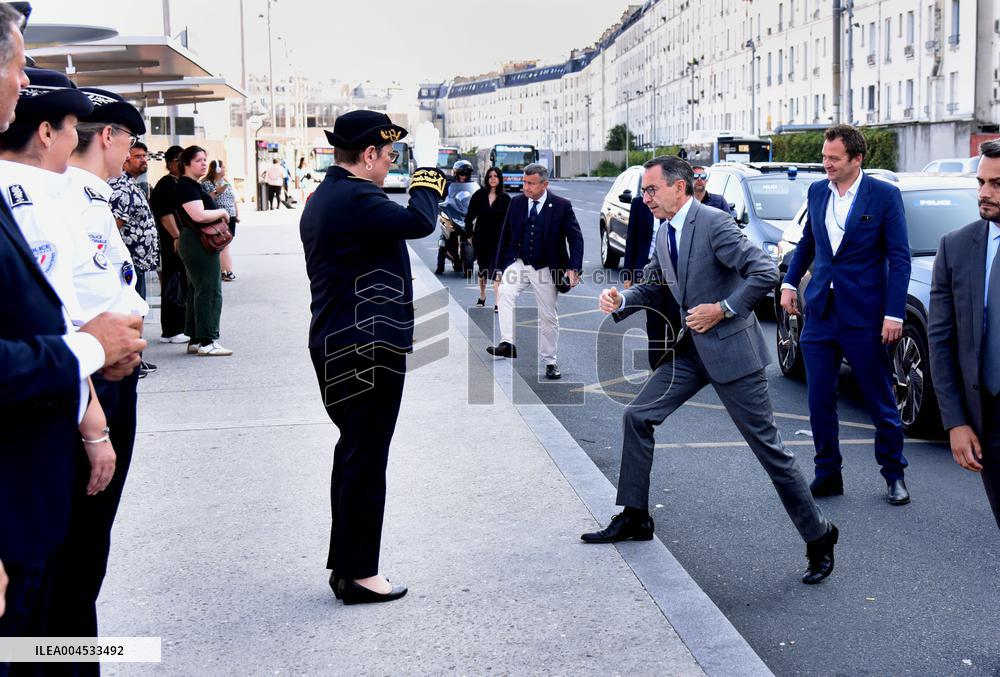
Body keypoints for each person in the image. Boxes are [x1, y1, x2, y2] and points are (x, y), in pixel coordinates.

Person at [587, 155, 838, 585]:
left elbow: (764, 271)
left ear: (678, 188)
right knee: (637, 415)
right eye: (643, 191)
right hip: (690, 352)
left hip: (732, 353)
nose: (644, 198)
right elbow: (655, 283)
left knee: (769, 451)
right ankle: (636, 516)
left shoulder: (714, 223)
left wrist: (722, 309)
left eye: (651, 190)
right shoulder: (664, 230)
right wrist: (623, 300)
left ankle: (819, 535)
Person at [0, 57, 145, 648]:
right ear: (46, 132)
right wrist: (92, 417)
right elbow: (57, 318)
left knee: (71, 568)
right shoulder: (44, 196)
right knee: (69, 568)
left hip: (80, 380)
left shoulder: (57, 192)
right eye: (69, 126)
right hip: (71, 391)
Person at [299, 110, 446, 605]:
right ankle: (360, 573)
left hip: (340, 341)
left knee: (355, 452)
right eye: (389, 156)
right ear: (367, 155)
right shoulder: (356, 195)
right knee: (366, 458)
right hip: (365, 348)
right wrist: (429, 166)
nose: (390, 165)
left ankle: (347, 567)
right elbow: (420, 221)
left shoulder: (329, 195)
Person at [45, 86, 150, 649]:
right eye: (130, 138)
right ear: (108, 137)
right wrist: (96, 423)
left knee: (88, 546)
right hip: (93, 386)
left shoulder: (92, 198)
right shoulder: (67, 200)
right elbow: (71, 311)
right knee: (80, 548)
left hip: (105, 376)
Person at [780, 124, 912, 505]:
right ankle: (828, 473)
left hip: (866, 315)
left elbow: (900, 257)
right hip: (820, 311)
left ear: (857, 159)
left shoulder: (884, 196)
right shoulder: (818, 190)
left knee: (879, 399)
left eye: (834, 159)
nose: (826, 164)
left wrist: (894, 313)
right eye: (824, 157)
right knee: (819, 398)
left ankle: (893, 474)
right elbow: (807, 242)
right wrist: (790, 283)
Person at [929, 139, 1000, 527]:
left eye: (997, 184)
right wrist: (956, 422)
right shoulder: (955, 247)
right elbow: (940, 343)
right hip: (988, 420)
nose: (985, 193)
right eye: (981, 182)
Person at [486, 163, 584, 380]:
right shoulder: (517, 203)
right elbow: (506, 235)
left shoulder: (561, 205)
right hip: (520, 262)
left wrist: (573, 268)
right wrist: (499, 268)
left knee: (548, 315)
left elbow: (575, 238)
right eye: (524, 182)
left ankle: (550, 361)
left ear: (545, 184)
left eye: (530, 183)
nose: (526, 187)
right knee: (504, 292)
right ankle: (507, 343)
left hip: (547, 267)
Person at [174, 145, 232, 356]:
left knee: (197, 289)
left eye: (204, 159)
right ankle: (208, 340)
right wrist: (222, 211)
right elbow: (198, 215)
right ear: (186, 164)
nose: (203, 163)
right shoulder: (187, 186)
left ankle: (197, 339)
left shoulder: (190, 185)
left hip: (195, 240)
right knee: (208, 289)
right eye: (198, 160)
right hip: (198, 241)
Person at [109, 141, 159, 378]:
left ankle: (137, 358)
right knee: (133, 312)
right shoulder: (119, 185)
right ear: (125, 159)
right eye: (138, 156)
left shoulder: (130, 184)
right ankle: (131, 360)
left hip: (139, 261)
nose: (143, 160)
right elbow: (114, 225)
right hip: (130, 262)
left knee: (138, 311)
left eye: (145, 156)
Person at [621, 194, 680, 370]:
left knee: (675, 321)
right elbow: (632, 238)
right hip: (648, 270)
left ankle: (675, 366)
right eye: (645, 189)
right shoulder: (639, 204)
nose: (647, 195)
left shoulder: (674, 201)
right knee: (654, 323)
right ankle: (657, 368)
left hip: (674, 271)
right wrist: (628, 274)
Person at [150, 144, 188, 345]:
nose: (182, 164)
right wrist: (176, 237)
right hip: (171, 242)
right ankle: (173, 329)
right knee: (174, 283)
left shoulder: (178, 182)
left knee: (179, 281)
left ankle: (176, 327)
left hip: (176, 240)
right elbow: (165, 215)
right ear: (170, 163)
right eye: (179, 160)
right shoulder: (166, 183)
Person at [466, 166, 510, 311]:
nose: (493, 179)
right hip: (481, 238)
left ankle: (497, 303)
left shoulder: (505, 199)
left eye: (495, 176)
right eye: (490, 176)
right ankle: (482, 295)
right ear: (487, 179)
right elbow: (469, 216)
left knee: (498, 270)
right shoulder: (479, 195)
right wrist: (469, 234)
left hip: (499, 240)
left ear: (500, 179)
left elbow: (511, 221)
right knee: (482, 270)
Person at [434, 159, 478, 274]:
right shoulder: (448, 185)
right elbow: (441, 196)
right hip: (453, 213)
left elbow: (480, 197)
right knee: (444, 238)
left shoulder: (474, 186)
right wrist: (439, 201)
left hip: (467, 214)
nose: (464, 176)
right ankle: (440, 266)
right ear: (456, 174)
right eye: (461, 173)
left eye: (466, 174)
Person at [202, 159, 238, 281]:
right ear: (216, 169)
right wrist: (217, 191)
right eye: (222, 167)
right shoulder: (207, 184)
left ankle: (223, 270)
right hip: (218, 216)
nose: (224, 170)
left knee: (227, 242)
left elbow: (233, 199)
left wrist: (237, 214)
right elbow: (206, 199)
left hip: (230, 216)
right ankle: (227, 271)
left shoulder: (226, 182)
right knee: (224, 244)